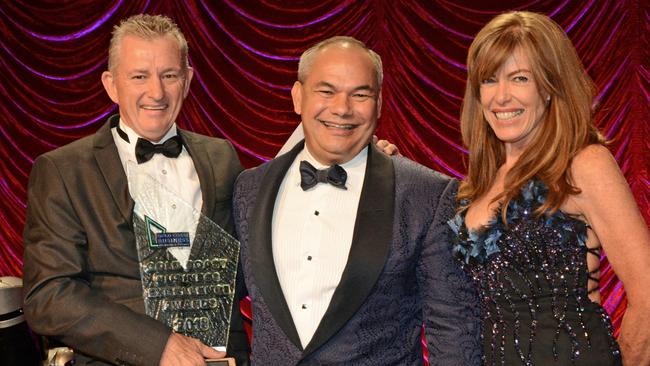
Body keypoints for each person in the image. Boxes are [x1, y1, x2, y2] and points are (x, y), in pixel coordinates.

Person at [232, 36, 482, 365]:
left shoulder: (429, 195)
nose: (342, 108)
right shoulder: (248, 187)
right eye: (326, 90)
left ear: (378, 105)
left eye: (360, 94)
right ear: (297, 97)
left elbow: (453, 330)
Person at [22, 14, 250, 366]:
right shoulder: (64, 170)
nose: (156, 92)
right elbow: (49, 295)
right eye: (139, 76)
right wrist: (157, 345)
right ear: (111, 85)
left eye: (169, 75)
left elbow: (247, 262)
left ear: (187, 81)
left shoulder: (221, 157)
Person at [449, 11, 650, 365]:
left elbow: (648, 296)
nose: (501, 97)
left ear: (550, 88)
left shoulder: (583, 164)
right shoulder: (476, 186)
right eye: (490, 80)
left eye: (520, 78)